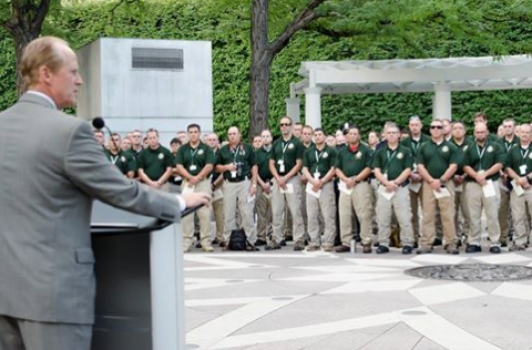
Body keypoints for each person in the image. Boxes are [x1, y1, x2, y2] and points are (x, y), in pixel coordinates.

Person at [0, 36, 209, 350]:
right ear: (46, 74)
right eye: (72, 72)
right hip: (55, 298)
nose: (80, 80)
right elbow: (122, 192)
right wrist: (179, 201)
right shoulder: (70, 132)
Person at [416, 119, 460, 254]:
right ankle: (426, 243)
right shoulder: (423, 147)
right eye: (433, 127)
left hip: (446, 184)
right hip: (428, 184)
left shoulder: (451, 147)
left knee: (447, 214)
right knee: (428, 214)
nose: (436, 129)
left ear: (443, 130)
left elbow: (454, 166)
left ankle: (450, 242)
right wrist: (431, 180)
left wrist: (441, 180)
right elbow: (420, 166)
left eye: (439, 127)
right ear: (429, 130)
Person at [372, 123, 415, 254]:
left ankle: (407, 242)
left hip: (400, 188)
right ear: (385, 135)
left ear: (399, 135)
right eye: (389, 133)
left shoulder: (405, 151)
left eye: (394, 133)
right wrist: (386, 182)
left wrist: (395, 182)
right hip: (384, 188)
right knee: (383, 217)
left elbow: (408, 169)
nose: (391, 135)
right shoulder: (380, 152)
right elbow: (376, 170)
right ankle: (383, 243)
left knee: (404, 217)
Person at [462, 122, 504, 254]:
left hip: (490, 183)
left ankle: (494, 242)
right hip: (473, 184)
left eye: (482, 132)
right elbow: (465, 165)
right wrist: (476, 175)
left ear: (487, 133)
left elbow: (499, 163)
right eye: (477, 132)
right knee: (473, 215)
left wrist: (484, 174)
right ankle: (474, 242)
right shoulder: (468, 147)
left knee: (492, 213)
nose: (480, 134)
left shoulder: (495, 146)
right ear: (474, 133)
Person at [216, 126, 258, 247]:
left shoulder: (248, 148)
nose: (232, 136)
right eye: (230, 134)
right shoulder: (223, 150)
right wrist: (227, 167)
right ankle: (228, 240)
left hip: (244, 182)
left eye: (234, 133)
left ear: (239, 135)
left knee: (246, 212)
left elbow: (254, 166)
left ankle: (250, 240)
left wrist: (254, 184)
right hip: (229, 183)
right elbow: (217, 167)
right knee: (228, 213)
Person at [176, 124, 216, 252]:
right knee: (187, 214)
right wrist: (190, 177)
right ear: (188, 134)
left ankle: (205, 242)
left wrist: (197, 178)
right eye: (191, 132)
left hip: (203, 182)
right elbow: (179, 166)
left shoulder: (206, 149)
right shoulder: (183, 149)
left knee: (205, 213)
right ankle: (186, 242)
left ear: (199, 133)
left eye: (195, 132)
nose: (193, 134)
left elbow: (209, 165)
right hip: (187, 183)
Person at [268, 116, 306, 250]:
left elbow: (299, 163)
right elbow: (271, 163)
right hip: (278, 179)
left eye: (287, 124)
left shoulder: (297, 143)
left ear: (291, 126)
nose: (284, 127)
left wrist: (286, 177)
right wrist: (278, 177)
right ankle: (277, 238)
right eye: (282, 125)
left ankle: (299, 239)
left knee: (295, 210)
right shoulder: (276, 144)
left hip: (292, 179)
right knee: (277, 210)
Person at [335, 125, 374, 253]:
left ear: (359, 135)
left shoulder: (366, 150)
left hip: (360, 183)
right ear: (346, 136)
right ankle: (345, 242)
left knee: (364, 214)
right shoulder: (341, 151)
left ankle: (366, 241)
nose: (352, 136)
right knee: (344, 214)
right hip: (345, 184)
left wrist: (355, 180)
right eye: (350, 134)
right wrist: (346, 180)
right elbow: (337, 168)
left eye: (355, 133)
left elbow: (369, 167)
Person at [301, 128, 337, 252]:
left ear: (324, 136)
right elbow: (305, 168)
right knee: (311, 215)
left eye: (319, 134)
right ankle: (314, 241)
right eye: (315, 135)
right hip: (311, 185)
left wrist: (322, 181)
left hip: (325, 184)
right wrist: (312, 181)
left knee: (328, 214)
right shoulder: (308, 152)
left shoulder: (331, 151)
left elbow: (333, 168)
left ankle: (328, 241)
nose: (317, 137)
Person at [400, 115, 430, 246]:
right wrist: (411, 174)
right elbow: (402, 162)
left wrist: (423, 174)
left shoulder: (428, 141)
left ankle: (427, 238)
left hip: (425, 179)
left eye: (416, 125)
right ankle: (413, 237)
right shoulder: (404, 143)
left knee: (427, 210)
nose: (414, 127)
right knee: (411, 211)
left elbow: (431, 160)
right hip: (410, 180)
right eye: (411, 125)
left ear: (421, 126)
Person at [505, 124, 532, 251]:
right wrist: (518, 179)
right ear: (519, 133)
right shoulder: (513, 149)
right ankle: (520, 241)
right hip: (517, 186)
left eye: (527, 132)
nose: (525, 134)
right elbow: (507, 167)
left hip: (531, 185)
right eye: (522, 132)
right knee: (518, 215)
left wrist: (526, 178)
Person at [497, 118, 519, 246]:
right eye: (505, 126)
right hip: (501, 179)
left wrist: (513, 176)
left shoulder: (520, 142)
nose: (507, 128)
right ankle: (503, 237)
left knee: (517, 210)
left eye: (510, 126)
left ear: (514, 128)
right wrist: (501, 173)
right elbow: (495, 160)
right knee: (502, 209)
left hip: (516, 180)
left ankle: (519, 237)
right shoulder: (497, 143)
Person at [255, 129, 274, 246]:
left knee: (273, 212)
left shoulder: (276, 151)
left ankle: (272, 235)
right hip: (260, 184)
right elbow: (255, 170)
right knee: (261, 212)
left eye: (267, 136)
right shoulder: (257, 153)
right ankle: (261, 236)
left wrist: (271, 183)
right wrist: (262, 184)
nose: (265, 138)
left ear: (271, 138)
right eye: (263, 136)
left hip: (273, 184)